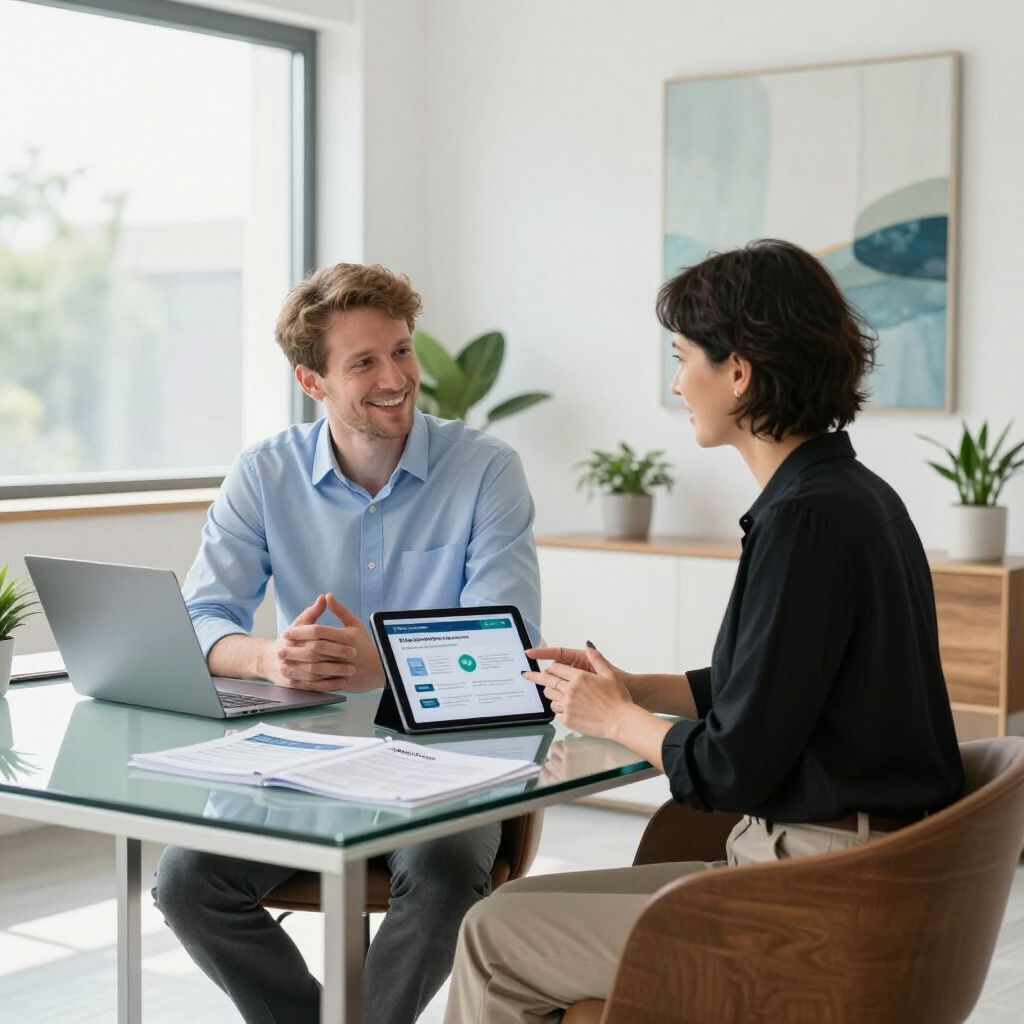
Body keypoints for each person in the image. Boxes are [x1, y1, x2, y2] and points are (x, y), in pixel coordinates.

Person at [441, 239, 965, 1024]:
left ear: (740, 372)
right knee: (525, 936)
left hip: (814, 892)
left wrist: (616, 720)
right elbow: (776, 687)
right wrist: (626, 687)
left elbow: (732, 767)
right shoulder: (849, 497)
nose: (677, 381)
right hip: (841, 866)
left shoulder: (806, 522)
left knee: (492, 933)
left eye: (684, 357)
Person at [152, 262, 542, 1024]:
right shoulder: (263, 474)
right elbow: (199, 618)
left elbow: (507, 641)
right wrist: (265, 658)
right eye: (364, 361)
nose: (396, 376)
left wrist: (387, 664)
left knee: (438, 875)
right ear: (311, 380)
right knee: (184, 883)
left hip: (451, 761)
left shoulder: (487, 471)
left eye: (401, 350)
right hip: (304, 762)